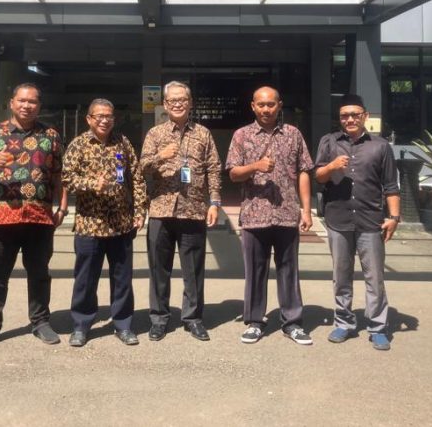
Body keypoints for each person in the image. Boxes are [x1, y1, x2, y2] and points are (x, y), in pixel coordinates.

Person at [0, 83, 67, 350]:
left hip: (39, 217)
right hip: (0, 219)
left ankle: (40, 322)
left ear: (39, 106)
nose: (27, 106)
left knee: (39, 273)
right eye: (22, 101)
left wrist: (62, 207)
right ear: (11, 103)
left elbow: (59, 175)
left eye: (32, 102)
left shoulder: (50, 136)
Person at [226, 86, 314, 345]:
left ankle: (292, 323)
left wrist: (306, 210)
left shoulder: (293, 134)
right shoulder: (242, 135)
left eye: (271, 104)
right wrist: (255, 166)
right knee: (255, 271)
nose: (266, 109)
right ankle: (255, 321)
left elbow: (304, 171)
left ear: (279, 105)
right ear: (253, 106)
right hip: (254, 216)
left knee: (289, 270)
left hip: (287, 214)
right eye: (261, 104)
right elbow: (233, 173)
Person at [314, 94, 401, 351]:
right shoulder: (329, 142)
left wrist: (394, 217)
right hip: (338, 218)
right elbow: (318, 176)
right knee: (341, 276)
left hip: (370, 220)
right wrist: (332, 167)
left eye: (355, 114)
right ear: (339, 118)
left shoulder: (380, 146)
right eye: (345, 115)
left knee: (375, 277)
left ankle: (378, 327)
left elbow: (391, 185)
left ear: (365, 116)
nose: (350, 119)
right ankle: (344, 322)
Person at [61, 98, 148, 347]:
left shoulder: (122, 142)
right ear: (89, 119)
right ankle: (81, 325)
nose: (104, 120)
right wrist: (91, 184)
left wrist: (140, 210)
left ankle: (123, 324)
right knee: (86, 279)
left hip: (121, 224)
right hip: (90, 224)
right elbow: (66, 179)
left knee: (122, 279)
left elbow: (136, 177)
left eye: (108, 116)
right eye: (99, 116)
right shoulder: (79, 145)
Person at [140, 81, 222, 342]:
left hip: (193, 209)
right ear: (165, 104)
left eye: (182, 99)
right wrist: (160, 156)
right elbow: (141, 168)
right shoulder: (155, 134)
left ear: (190, 103)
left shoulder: (203, 134)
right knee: (158, 269)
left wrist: (215, 202)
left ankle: (193, 318)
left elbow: (214, 168)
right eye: (172, 100)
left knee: (193, 270)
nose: (177, 104)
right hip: (161, 209)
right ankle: (159, 318)